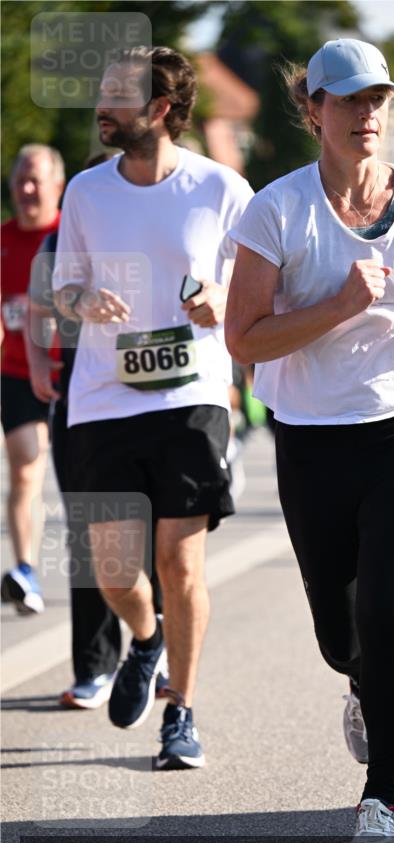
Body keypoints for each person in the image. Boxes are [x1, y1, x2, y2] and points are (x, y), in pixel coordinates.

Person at [225, 38, 394, 843]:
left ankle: (382, 797)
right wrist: (341, 304)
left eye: (377, 98)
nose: (366, 113)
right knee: (338, 633)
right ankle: (358, 681)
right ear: (312, 110)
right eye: (347, 100)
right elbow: (243, 339)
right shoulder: (275, 211)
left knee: (388, 616)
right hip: (311, 440)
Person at [53, 46, 253, 766]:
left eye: (115, 96)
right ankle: (145, 640)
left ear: (161, 110)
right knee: (113, 572)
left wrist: (221, 299)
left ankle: (183, 711)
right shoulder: (85, 192)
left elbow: (261, 287)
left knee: (179, 561)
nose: (100, 108)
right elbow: (63, 288)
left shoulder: (221, 189)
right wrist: (83, 299)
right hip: (105, 397)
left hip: (192, 394)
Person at [26, 154, 168, 709]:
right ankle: (94, 666)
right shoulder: (59, 241)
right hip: (82, 404)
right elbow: (40, 310)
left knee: (159, 540)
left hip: (155, 403)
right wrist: (40, 365)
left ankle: (154, 653)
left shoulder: (153, 228)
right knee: (90, 537)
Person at [1, 145, 63, 614]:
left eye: (35, 180)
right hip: (18, 372)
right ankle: (24, 569)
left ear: (57, 186)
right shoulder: (3, 241)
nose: (25, 189)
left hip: (77, 374)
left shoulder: (72, 236)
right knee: (26, 463)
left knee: (80, 482)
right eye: (19, 179)